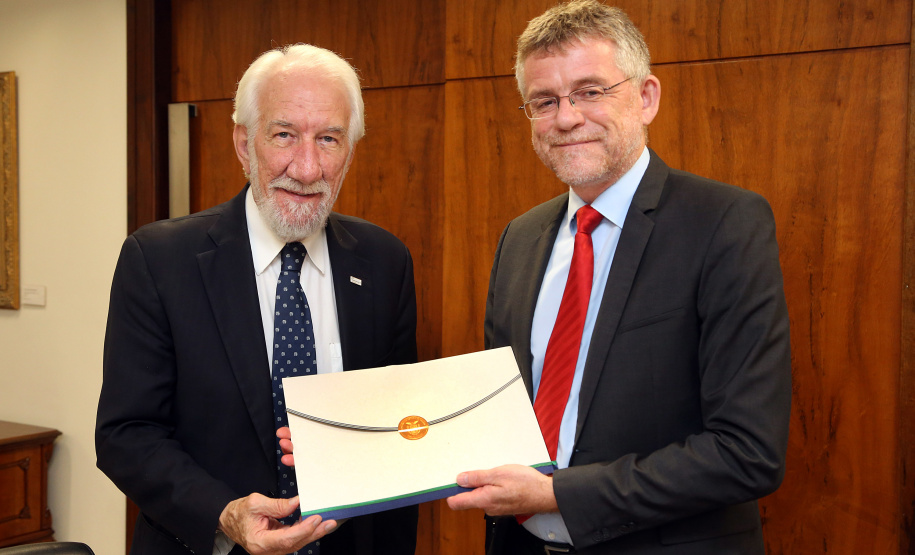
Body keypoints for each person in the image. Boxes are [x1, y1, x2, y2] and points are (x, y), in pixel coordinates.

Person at [446, 1, 792, 554]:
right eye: (545, 101)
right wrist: (361, 446)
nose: (566, 117)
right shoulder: (520, 238)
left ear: (646, 96)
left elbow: (747, 452)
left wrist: (559, 493)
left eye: (590, 91)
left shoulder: (723, 224)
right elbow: (503, 417)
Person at [96, 44, 419, 555]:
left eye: (329, 139)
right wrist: (222, 515)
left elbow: (396, 427)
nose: (308, 168)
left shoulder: (384, 261)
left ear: (350, 152)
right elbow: (126, 434)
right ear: (244, 144)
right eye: (285, 135)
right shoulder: (159, 260)